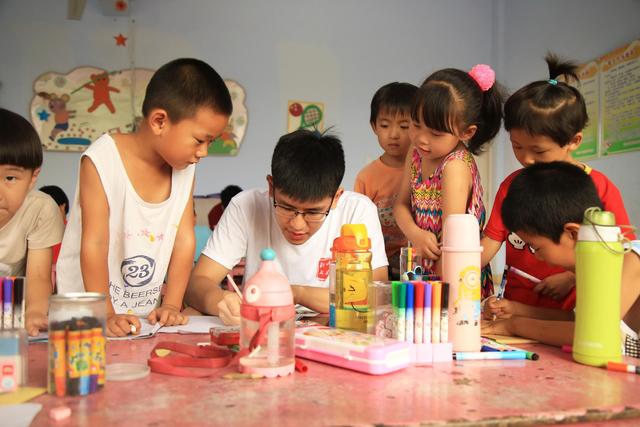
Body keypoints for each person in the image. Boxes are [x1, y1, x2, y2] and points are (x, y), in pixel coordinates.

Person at [56, 58, 232, 336]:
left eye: (211, 142)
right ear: (160, 121)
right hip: (86, 314)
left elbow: (184, 240)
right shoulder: (102, 159)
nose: (204, 152)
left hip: (141, 317)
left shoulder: (184, 170)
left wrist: (171, 304)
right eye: (200, 140)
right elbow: (95, 242)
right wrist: (105, 312)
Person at [186, 129, 388, 325]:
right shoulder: (245, 206)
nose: (297, 224)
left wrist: (295, 293)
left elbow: (377, 296)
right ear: (271, 187)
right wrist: (221, 301)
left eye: (313, 212)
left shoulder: (357, 211)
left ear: (336, 197)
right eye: (286, 207)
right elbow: (197, 283)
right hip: (262, 328)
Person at [481, 54, 634, 311]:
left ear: (574, 141)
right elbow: (492, 239)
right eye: (517, 147)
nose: (526, 159)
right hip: (517, 304)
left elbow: (621, 253)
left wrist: (572, 276)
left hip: (574, 309)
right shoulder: (513, 186)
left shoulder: (599, 187)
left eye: (538, 151)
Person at [482, 162, 640, 357]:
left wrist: (514, 325)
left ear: (572, 233)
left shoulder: (631, 261)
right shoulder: (591, 265)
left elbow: (588, 333)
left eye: (536, 247)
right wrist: (515, 309)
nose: (536, 255)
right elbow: (574, 319)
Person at [394, 65, 504, 299]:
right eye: (415, 124)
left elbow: (452, 241)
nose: (421, 139)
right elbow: (400, 205)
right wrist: (415, 234)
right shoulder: (415, 152)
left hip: (455, 277)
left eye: (435, 133)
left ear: (466, 132)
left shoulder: (454, 166)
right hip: (423, 272)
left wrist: (435, 292)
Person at [0, 108, 65, 336]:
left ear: (32, 178)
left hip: (11, 316)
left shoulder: (40, 209)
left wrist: (35, 311)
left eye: (10, 178)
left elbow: (38, 276)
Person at [354, 82, 417, 277]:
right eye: (385, 125)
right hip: (379, 265)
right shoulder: (366, 177)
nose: (394, 134)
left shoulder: (424, 171)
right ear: (374, 126)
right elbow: (358, 228)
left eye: (404, 126)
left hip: (418, 263)